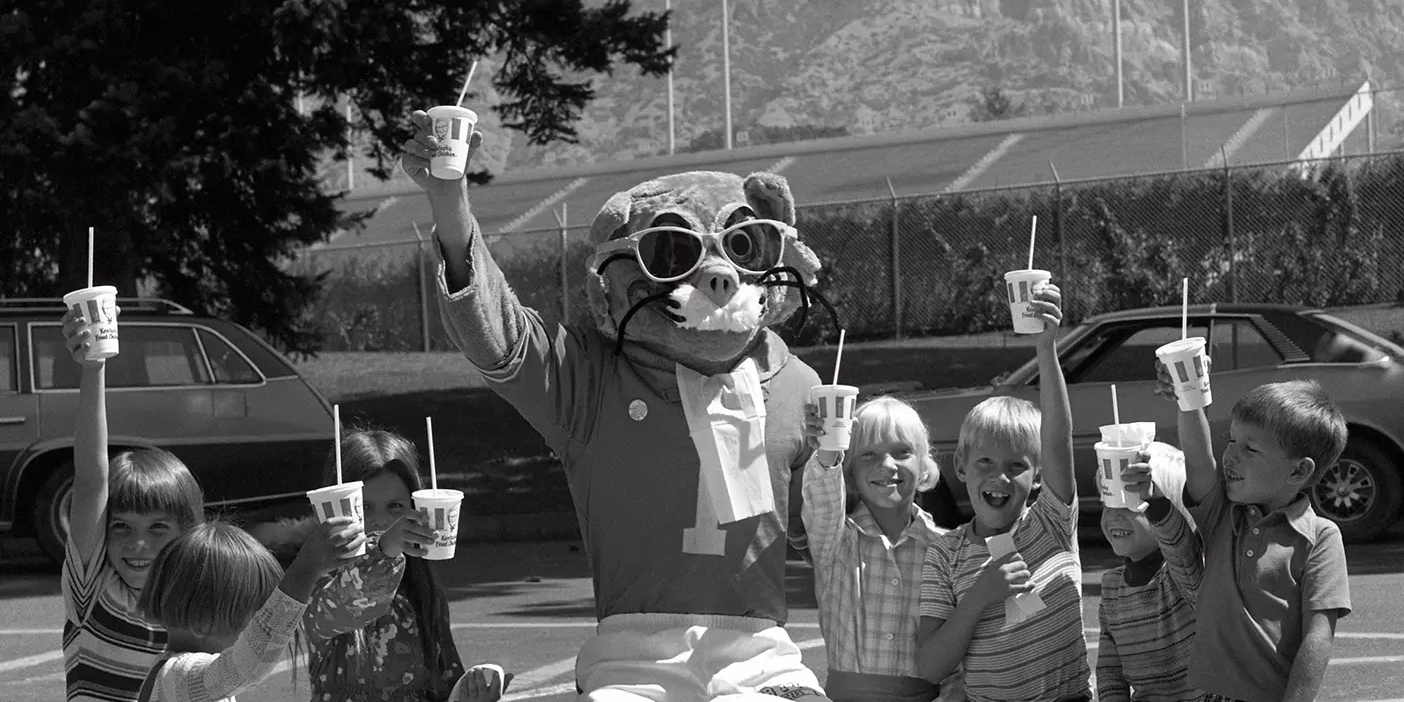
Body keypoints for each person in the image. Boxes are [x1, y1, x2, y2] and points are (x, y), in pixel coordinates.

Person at [915, 281, 1092, 701]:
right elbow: (930, 666)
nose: (1000, 477)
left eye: (1017, 466)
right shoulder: (946, 554)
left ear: (1037, 476)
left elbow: (1058, 439)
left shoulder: (1051, 521)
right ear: (960, 466)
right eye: (985, 463)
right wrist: (980, 596)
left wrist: (1046, 348)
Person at [1156, 368, 1351, 702]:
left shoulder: (1320, 537)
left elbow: (1317, 638)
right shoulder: (1223, 512)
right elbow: (1199, 458)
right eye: (1232, 439)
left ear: (1299, 470)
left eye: (1250, 448)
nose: (1230, 454)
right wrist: (1187, 398)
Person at [296, 429, 509, 701]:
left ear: (416, 507)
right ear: (336, 509)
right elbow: (355, 598)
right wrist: (384, 550)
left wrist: (471, 694)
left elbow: (445, 687)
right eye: (364, 508)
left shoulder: (425, 595)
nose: (381, 522)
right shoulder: (320, 589)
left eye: (395, 506)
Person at [61, 304, 205, 702]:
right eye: (121, 526)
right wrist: (93, 370)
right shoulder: (91, 592)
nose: (137, 544)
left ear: (188, 533)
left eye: (158, 527)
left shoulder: (199, 603)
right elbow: (91, 481)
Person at [801, 396, 955, 702]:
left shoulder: (948, 548)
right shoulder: (835, 539)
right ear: (850, 472)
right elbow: (822, 499)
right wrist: (828, 449)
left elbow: (961, 647)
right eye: (869, 454)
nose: (887, 465)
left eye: (902, 452)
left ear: (924, 464)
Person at [134, 518, 364, 702]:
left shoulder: (185, 678)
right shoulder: (177, 677)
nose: (259, 625)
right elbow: (249, 663)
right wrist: (306, 570)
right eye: (256, 616)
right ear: (203, 623)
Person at [1094, 442, 1203, 701]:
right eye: (1107, 502)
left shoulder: (1182, 573)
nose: (1113, 515)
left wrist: (1154, 500)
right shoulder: (1111, 586)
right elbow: (1110, 672)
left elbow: (1179, 548)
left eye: (1131, 504)